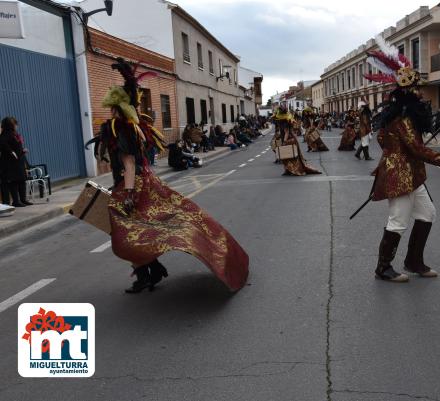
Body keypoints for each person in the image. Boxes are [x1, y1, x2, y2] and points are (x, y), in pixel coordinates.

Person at [88, 58, 248, 293]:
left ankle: (149, 273)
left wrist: (129, 194)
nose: (109, 110)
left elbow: (129, 163)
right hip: (145, 183)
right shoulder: (136, 127)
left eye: (111, 107)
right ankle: (150, 272)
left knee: (128, 235)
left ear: (117, 108)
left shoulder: (122, 130)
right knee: (145, 231)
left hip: (132, 186)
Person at [363, 41, 440, 282]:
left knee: (427, 213)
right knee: (397, 221)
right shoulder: (403, 118)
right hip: (400, 177)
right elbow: (417, 149)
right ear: (407, 93)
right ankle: (383, 268)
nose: (419, 93)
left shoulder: (400, 116)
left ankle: (413, 261)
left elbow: (383, 139)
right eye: (416, 89)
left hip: (411, 174)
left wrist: (396, 150)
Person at [274, 109, 321, 176]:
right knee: (293, 156)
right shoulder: (289, 120)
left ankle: (289, 170)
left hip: (288, 140)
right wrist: (296, 140)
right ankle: (288, 170)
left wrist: (284, 142)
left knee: (286, 156)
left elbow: (287, 132)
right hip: (292, 140)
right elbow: (292, 132)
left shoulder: (284, 122)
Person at [0, 117, 31, 207]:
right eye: (15, 124)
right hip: (11, 163)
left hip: (19, 160)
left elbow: (17, 146)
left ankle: (23, 199)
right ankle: (16, 201)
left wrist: (22, 151)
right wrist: (11, 151)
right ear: (10, 125)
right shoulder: (5, 135)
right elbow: (3, 144)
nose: (16, 126)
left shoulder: (14, 134)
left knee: (22, 180)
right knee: (14, 181)